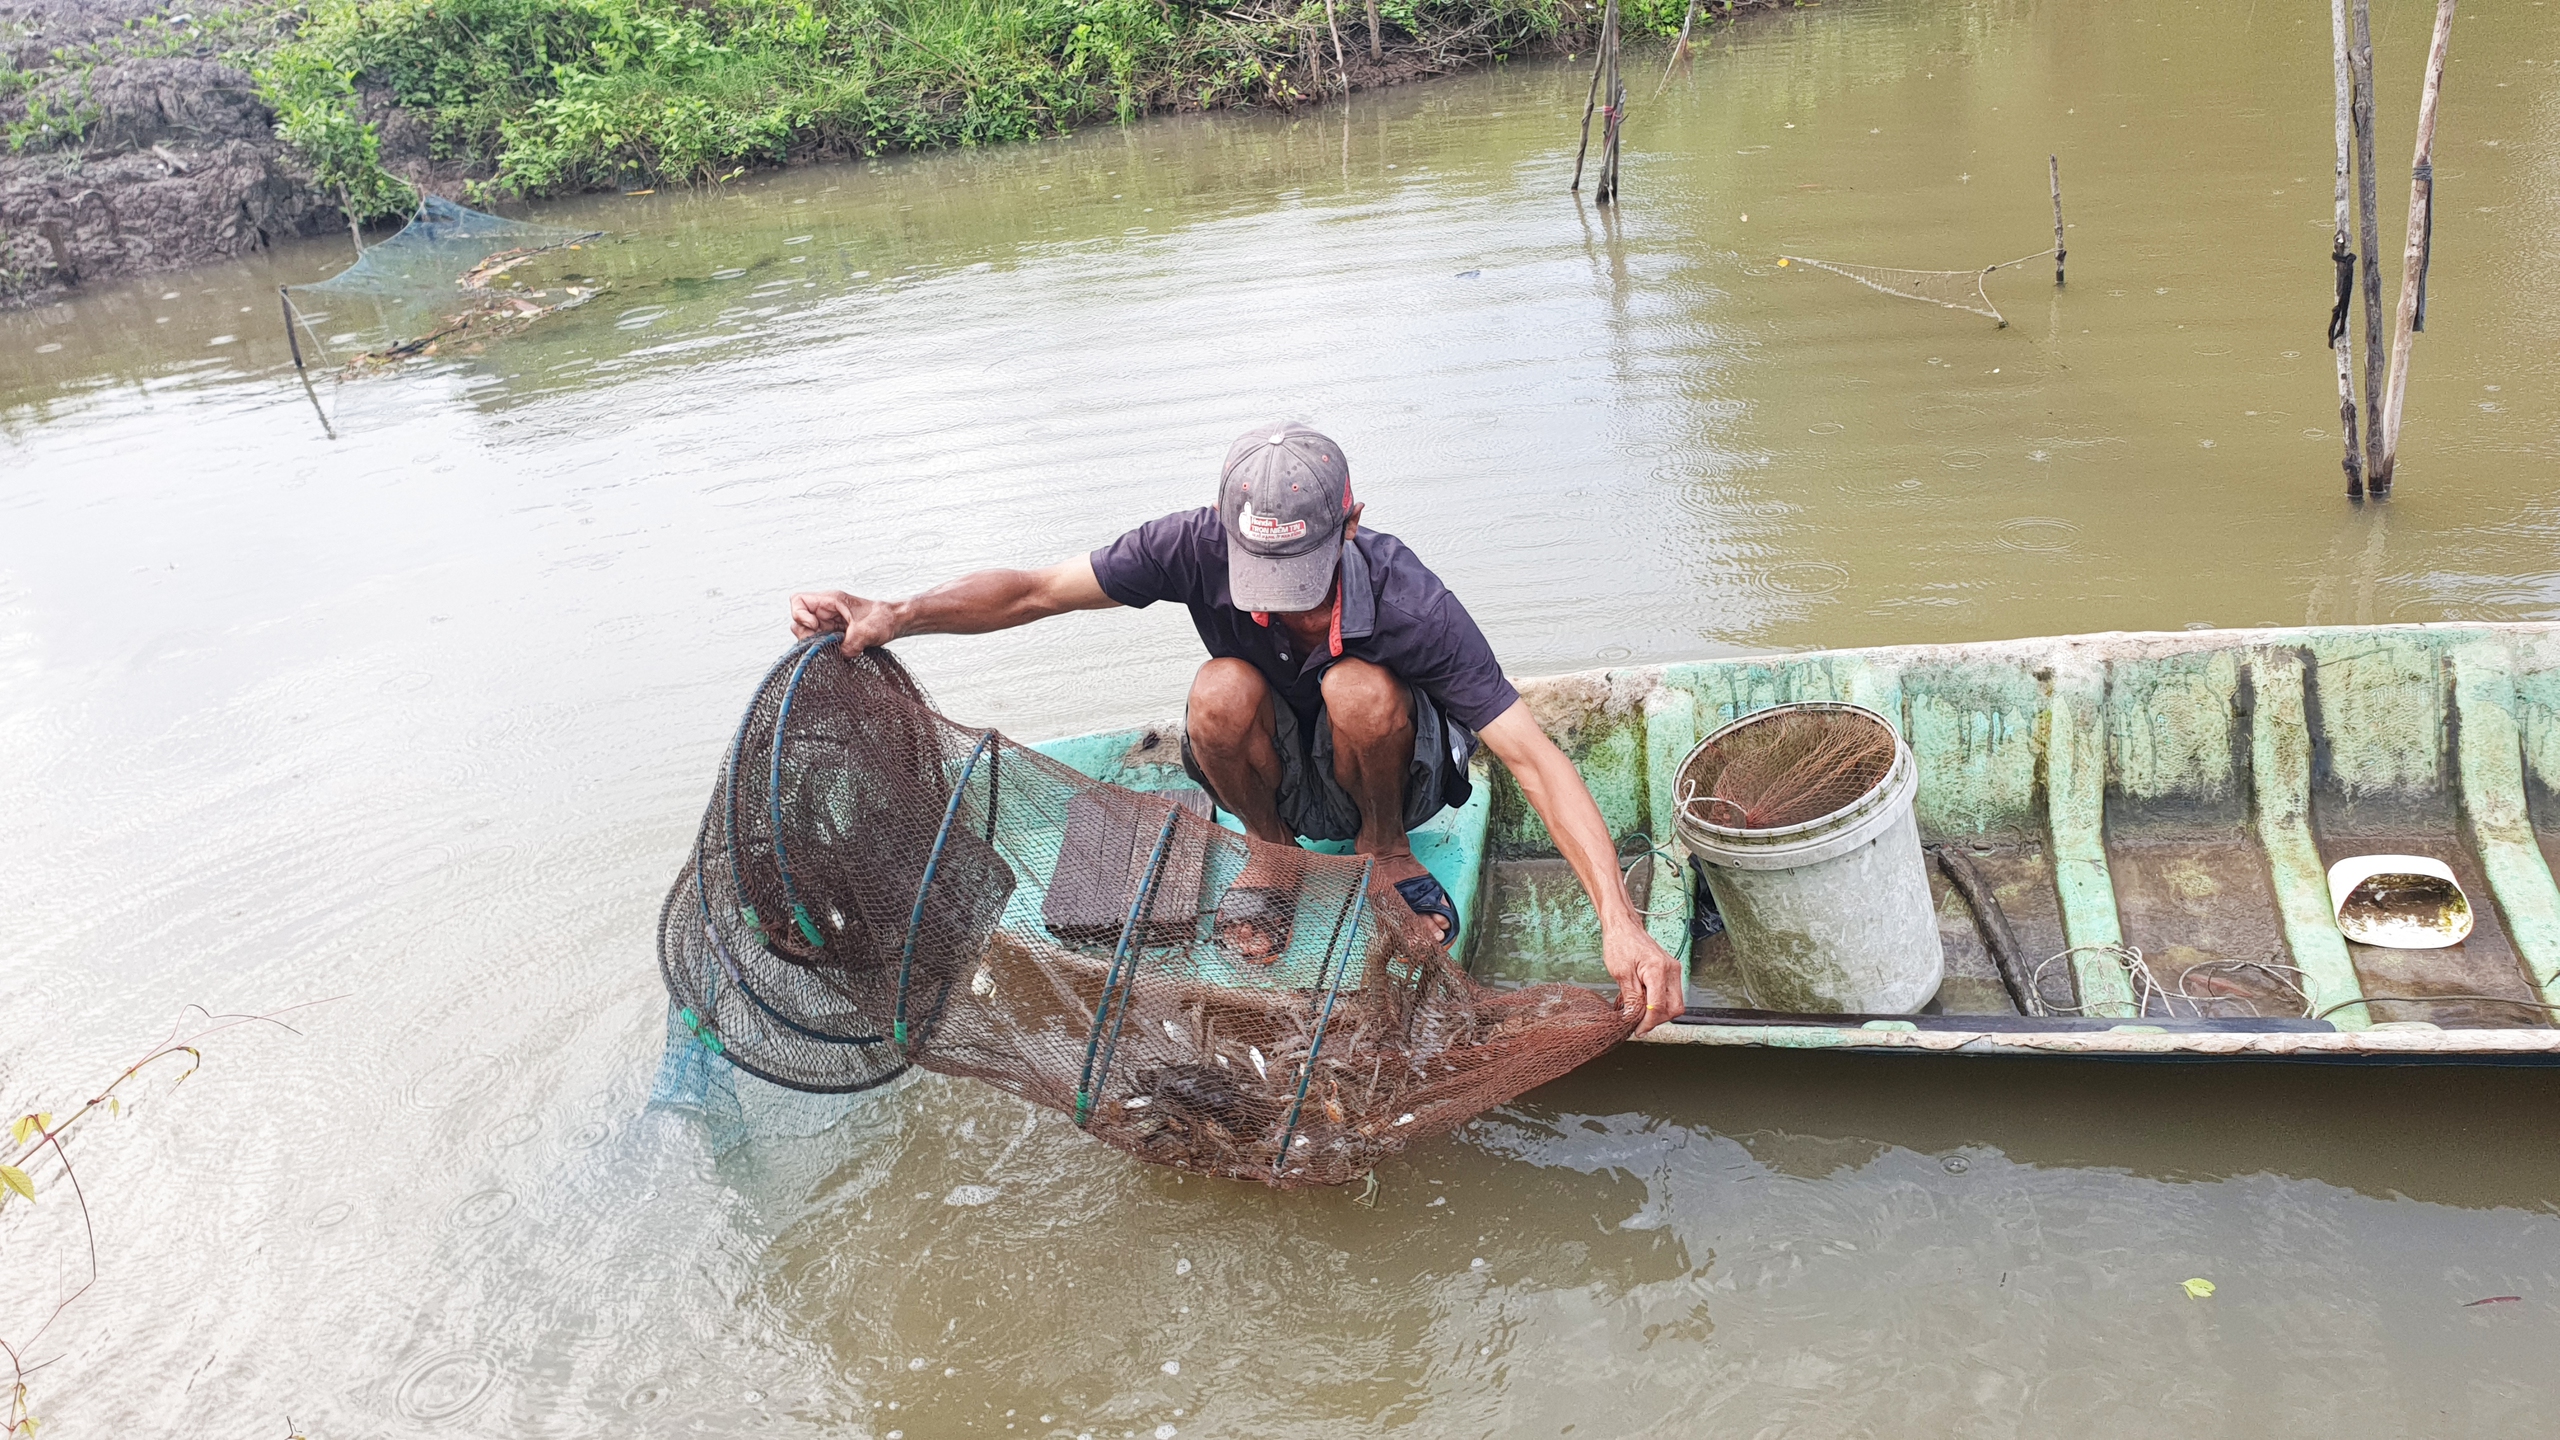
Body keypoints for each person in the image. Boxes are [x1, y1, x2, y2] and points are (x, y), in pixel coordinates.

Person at [789, 422, 1683, 1034]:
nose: (1286, 602)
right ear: (1225, 531)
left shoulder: (1411, 599)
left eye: (1304, 574)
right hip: (1275, 768)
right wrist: (896, 611)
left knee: (1362, 689)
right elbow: (1032, 591)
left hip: (1387, 770)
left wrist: (1618, 919)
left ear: (1351, 523)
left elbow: (1532, 757)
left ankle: (1384, 852)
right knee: (1218, 688)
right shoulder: (1187, 546)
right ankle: (1268, 848)